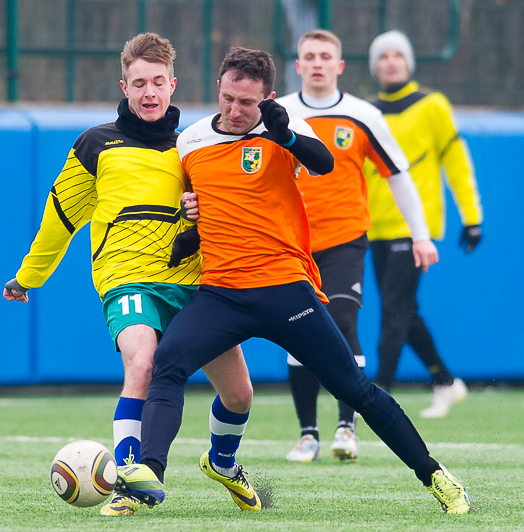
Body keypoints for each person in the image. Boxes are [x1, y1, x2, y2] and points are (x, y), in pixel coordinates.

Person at [113, 46, 471, 515]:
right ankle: (148, 478)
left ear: (268, 99)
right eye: (228, 98)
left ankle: (436, 475)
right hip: (221, 293)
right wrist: (190, 227)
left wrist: (287, 136)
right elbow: (206, 205)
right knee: (167, 365)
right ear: (218, 88)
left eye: (247, 102)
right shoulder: (193, 140)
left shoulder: (284, 129)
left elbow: (323, 163)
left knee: (354, 388)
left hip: (285, 290)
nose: (236, 110)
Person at [2, 33, 253, 517]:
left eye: (158, 82)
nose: (149, 92)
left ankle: (223, 462)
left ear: (173, 85)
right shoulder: (96, 144)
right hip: (126, 278)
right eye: (139, 83)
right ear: (124, 87)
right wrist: (27, 277)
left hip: (193, 283)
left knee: (240, 394)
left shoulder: (194, 146)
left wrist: (200, 216)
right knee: (142, 363)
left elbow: (226, 213)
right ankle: (129, 481)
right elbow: (60, 216)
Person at [277, 29, 437, 464]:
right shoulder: (280, 114)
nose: (317, 63)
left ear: (340, 65)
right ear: (298, 65)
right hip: (292, 243)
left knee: (343, 321)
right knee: (298, 332)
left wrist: (420, 234)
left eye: (325, 56)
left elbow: (398, 174)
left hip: (345, 240)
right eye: (309, 56)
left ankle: (347, 427)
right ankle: (307, 434)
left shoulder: (362, 115)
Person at [366, 30, 484, 418]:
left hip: (415, 230)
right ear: (374, 66)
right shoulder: (365, 112)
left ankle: (378, 395)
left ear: (409, 62)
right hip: (375, 227)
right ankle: (446, 381)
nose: (391, 62)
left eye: (398, 55)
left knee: (394, 311)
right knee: (404, 311)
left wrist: (472, 217)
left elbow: (457, 162)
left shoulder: (433, 105)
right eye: (384, 56)